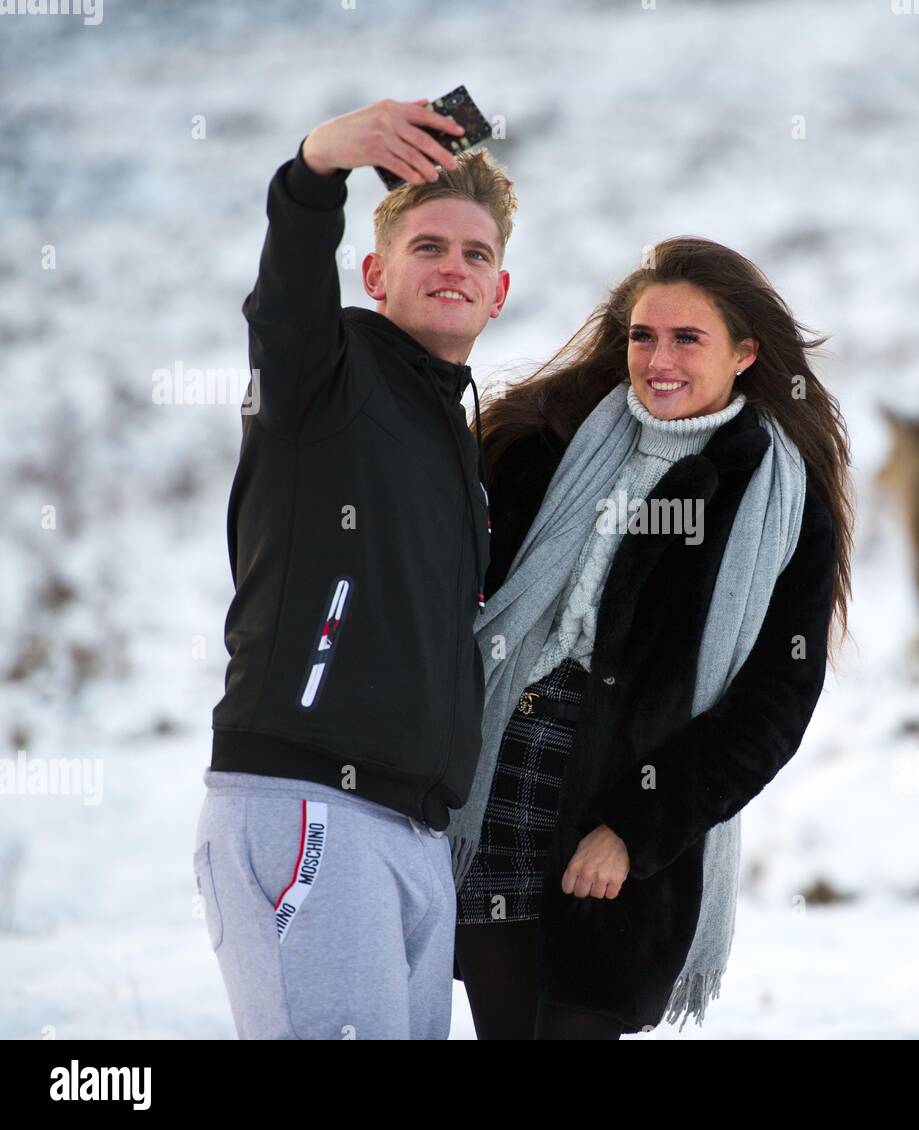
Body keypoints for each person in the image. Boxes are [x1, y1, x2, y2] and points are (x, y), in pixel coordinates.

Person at [448, 236, 854, 1038]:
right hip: (499, 786)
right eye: (643, 336)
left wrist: (639, 828)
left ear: (745, 353)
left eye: (687, 339)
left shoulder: (779, 498)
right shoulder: (539, 446)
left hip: (629, 821)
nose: (658, 359)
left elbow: (776, 702)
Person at [192, 98, 517, 1039]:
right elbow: (286, 293)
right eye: (428, 247)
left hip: (412, 833)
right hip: (308, 807)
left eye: (475, 254)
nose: (454, 266)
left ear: (499, 292)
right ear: (375, 273)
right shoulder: (324, 377)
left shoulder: (454, 434)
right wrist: (316, 168)